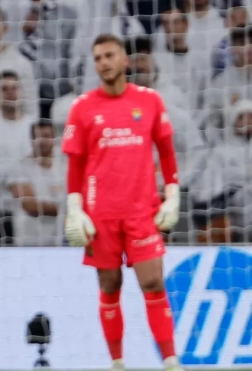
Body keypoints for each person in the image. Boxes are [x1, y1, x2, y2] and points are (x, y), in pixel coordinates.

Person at [61, 34, 183, 371]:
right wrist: (75, 209)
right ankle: (117, 363)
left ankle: (171, 361)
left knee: (153, 283)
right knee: (109, 285)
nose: (104, 63)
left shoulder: (150, 101)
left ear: (125, 60)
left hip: (142, 211)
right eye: (98, 57)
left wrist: (172, 197)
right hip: (100, 215)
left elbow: (167, 153)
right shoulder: (82, 107)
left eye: (109, 55)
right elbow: (75, 166)